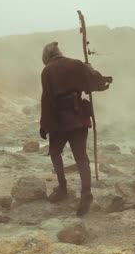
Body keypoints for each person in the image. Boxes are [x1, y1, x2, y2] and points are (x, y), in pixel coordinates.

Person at [39, 41, 110, 216]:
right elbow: (94, 84)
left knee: (55, 153)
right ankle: (86, 194)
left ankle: (62, 188)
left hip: (58, 122)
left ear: (46, 57)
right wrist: (91, 70)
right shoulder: (77, 64)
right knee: (81, 157)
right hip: (78, 119)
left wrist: (44, 125)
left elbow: (46, 99)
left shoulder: (46, 71)